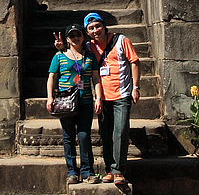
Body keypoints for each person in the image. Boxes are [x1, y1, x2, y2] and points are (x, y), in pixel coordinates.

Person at [83, 12, 140, 186]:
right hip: (103, 97)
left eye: (97, 26)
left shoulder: (121, 40)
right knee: (105, 134)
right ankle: (109, 169)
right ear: (87, 31)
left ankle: (119, 170)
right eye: (91, 28)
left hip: (122, 94)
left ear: (104, 26)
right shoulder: (88, 46)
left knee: (121, 132)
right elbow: (73, 52)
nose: (95, 31)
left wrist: (135, 87)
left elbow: (135, 61)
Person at [47, 23, 101, 185]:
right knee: (68, 137)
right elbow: (51, 77)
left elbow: (96, 78)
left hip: (84, 100)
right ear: (68, 39)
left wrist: (98, 97)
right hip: (65, 101)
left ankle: (87, 171)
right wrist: (50, 98)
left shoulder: (90, 56)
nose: (75, 38)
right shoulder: (59, 57)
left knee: (84, 136)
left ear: (83, 36)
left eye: (78, 34)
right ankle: (72, 172)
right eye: (72, 36)